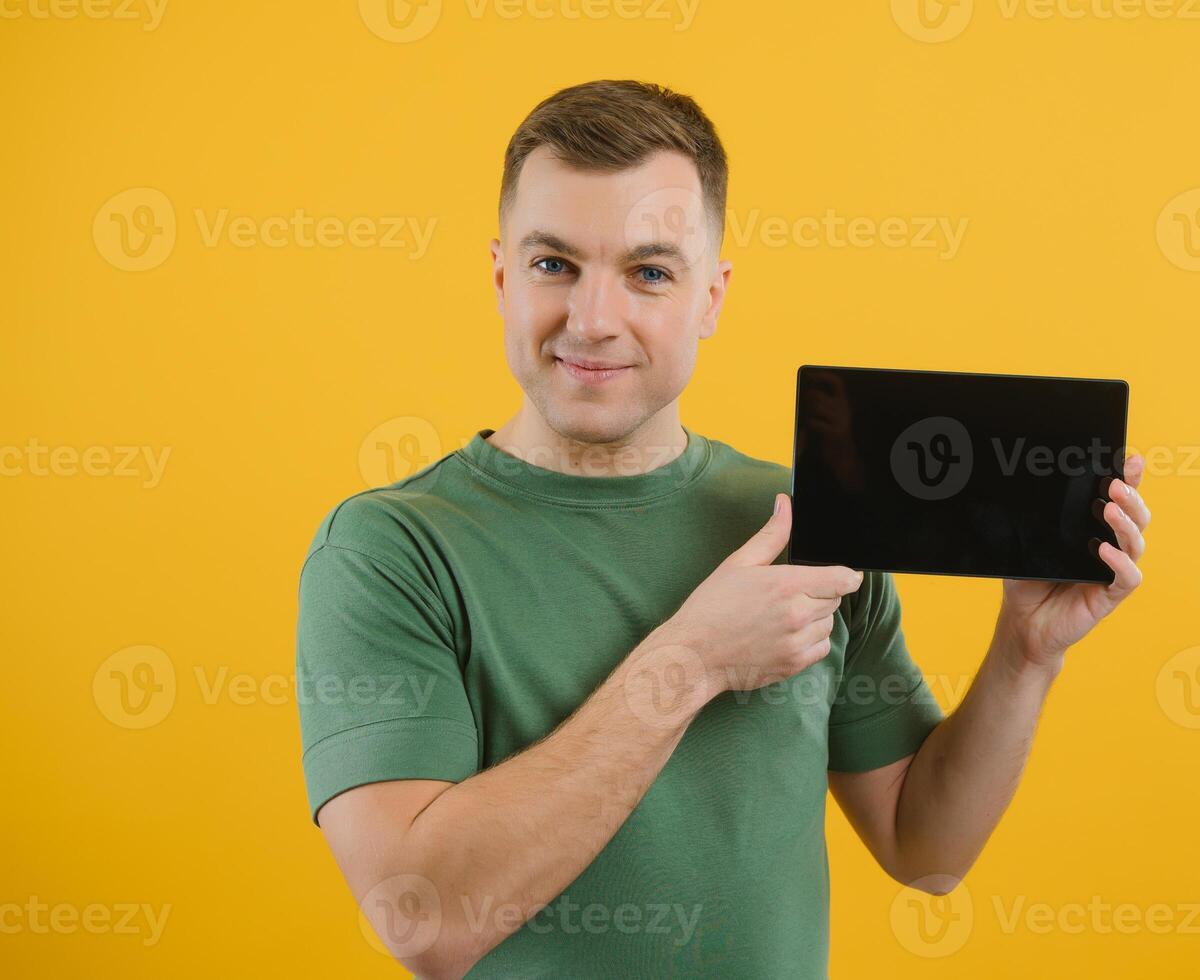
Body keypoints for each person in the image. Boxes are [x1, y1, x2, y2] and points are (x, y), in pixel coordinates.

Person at [294, 79, 1151, 979]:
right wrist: (693, 660)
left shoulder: (806, 520)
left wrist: (1024, 653)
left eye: (649, 272)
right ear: (501, 276)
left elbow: (922, 843)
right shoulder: (389, 551)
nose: (593, 319)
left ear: (712, 297)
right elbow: (424, 924)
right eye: (554, 265)